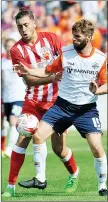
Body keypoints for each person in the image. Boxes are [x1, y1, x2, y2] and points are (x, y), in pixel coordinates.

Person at [13, 19, 107, 196]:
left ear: (89, 37)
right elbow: (47, 71)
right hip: (62, 106)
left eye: (78, 37)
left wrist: (98, 90)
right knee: (38, 135)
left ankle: (102, 186)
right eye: (73, 36)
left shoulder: (100, 59)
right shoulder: (66, 53)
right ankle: (40, 179)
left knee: (96, 147)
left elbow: (106, 84)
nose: (74, 40)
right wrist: (28, 70)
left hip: (86, 110)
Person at [2, 10, 79, 197]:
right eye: (20, 26)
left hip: (57, 101)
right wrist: (52, 76)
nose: (23, 29)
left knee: (58, 149)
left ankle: (74, 173)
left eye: (26, 25)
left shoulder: (52, 39)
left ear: (34, 23)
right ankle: (10, 187)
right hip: (33, 101)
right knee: (21, 141)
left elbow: (65, 63)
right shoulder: (16, 50)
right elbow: (28, 80)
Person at [1, 38, 26, 158]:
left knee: (13, 120)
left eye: (11, 46)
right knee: (5, 122)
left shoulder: (19, 62)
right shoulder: (3, 62)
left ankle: (10, 148)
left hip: (18, 96)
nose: (9, 49)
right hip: (6, 97)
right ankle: (3, 148)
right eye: (7, 46)